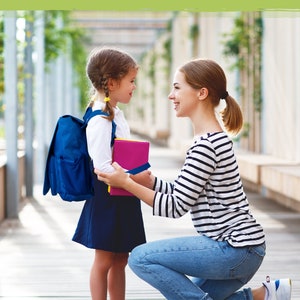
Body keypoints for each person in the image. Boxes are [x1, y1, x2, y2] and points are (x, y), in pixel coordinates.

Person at [95, 58, 292, 300]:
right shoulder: (211, 140)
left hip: (233, 249)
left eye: (177, 87)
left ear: (201, 93)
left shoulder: (206, 146)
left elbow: (175, 207)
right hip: (245, 250)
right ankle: (265, 294)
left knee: (140, 258)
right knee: (193, 296)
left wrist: (126, 183)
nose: (171, 96)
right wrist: (151, 182)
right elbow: (187, 191)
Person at [72, 47, 146, 300]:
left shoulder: (114, 114)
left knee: (121, 258)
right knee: (104, 258)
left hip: (123, 193)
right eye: (131, 81)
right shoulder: (100, 120)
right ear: (112, 83)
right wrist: (133, 177)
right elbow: (101, 166)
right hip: (107, 197)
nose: (134, 87)